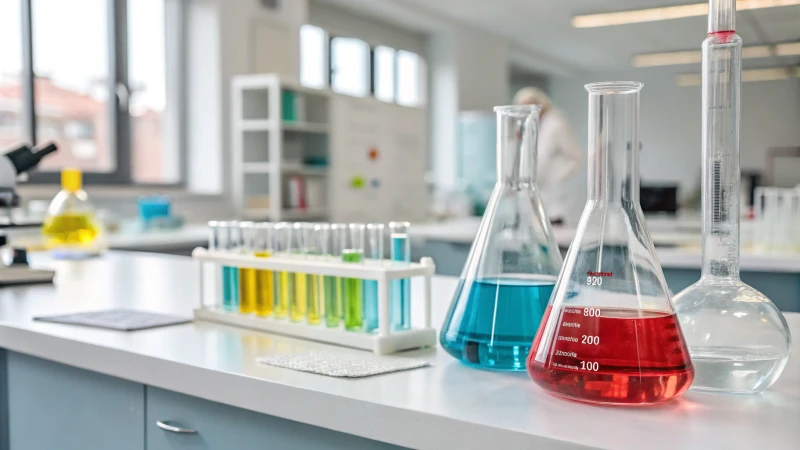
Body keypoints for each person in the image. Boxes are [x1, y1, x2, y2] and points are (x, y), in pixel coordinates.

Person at [513, 87, 583, 225]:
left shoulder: (556, 124)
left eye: (527, 106)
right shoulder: (532, 127)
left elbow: (576, 156)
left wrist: (557, 177)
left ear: (541, 105)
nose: (524, 112)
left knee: (553, 230)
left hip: (555, 194)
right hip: (537, 192)